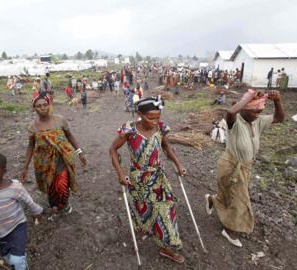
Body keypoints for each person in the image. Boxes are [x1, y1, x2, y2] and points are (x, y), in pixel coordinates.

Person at [109, 96, 186, 264]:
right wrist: (120, 173)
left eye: (157, 116)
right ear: (140, 114)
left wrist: (178, 164)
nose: (155, 121)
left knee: (167, 210)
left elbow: (166, 146)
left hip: (158, 179)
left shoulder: (160, 128)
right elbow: (113, 149)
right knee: (144, 210)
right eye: (150, 117)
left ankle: (168, 247)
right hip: (138, 181)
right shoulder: (129, 130)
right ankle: (151, 229)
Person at [205, 89, 285, 247]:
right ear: (243, 109)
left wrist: (277, 101)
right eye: (254, 111)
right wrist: (247, 97)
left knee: (229, 194)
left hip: (245, 166)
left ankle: (212, 200)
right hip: (231, 165)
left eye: (260, 111)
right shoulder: (234, 122)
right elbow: (230, 112)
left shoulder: (257, 121)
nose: (257, 114)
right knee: (240, 199)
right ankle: (229, 230)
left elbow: (279, 118)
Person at [0, 153, 45, 270]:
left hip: (17, 226)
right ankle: (16, 261)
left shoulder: (14, 187)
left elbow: (28, 201)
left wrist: (37, 211)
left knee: (16, 260)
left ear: (4, 172)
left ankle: (21, 265)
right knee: (7, 256)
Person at [21, 92, 86, 212]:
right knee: (50, 185)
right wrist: (25, 166)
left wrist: (79, 151)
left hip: (62, 158)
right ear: (34, 108)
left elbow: (70, 136)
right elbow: (30, 146)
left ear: (49, 105)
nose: (42, 107)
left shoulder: (60, 120)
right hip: (44, 162)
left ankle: (65, 204)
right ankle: (53, 205)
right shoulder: (33, 126)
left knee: (62, 184)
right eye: (38, 105)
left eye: (45, 104)